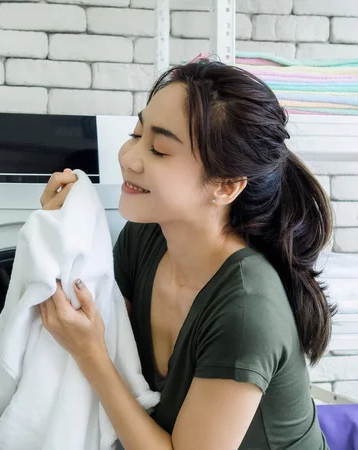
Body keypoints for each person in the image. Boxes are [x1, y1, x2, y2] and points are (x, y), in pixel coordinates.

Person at [38, 57, 335, 449]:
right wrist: (60, 234)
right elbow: (101, 329)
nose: (128, 157)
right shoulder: (144, 238)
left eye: (159, 149)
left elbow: (96, 350)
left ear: (225, 187)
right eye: (136, 133)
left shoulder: (247, 312)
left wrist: (88, 354)